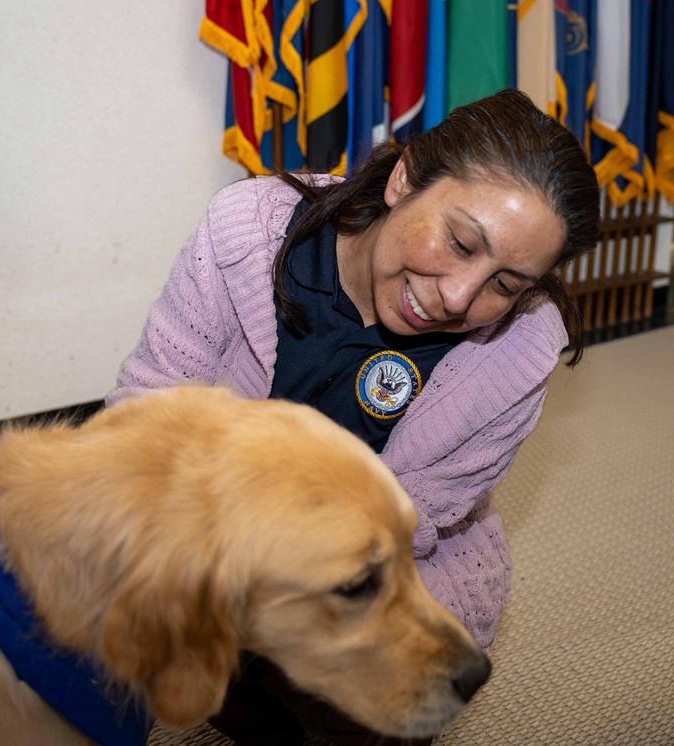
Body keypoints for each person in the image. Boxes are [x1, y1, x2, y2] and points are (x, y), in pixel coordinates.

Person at [105, 89, 600, 746]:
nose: (459, 297)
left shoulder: (517, 353)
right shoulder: (245, 235)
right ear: (404, 178)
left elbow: (405, 527)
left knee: (372, 707)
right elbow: (146, 412)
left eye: (506, 284)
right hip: (216, 550)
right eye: (459, 242)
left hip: (385, 578)